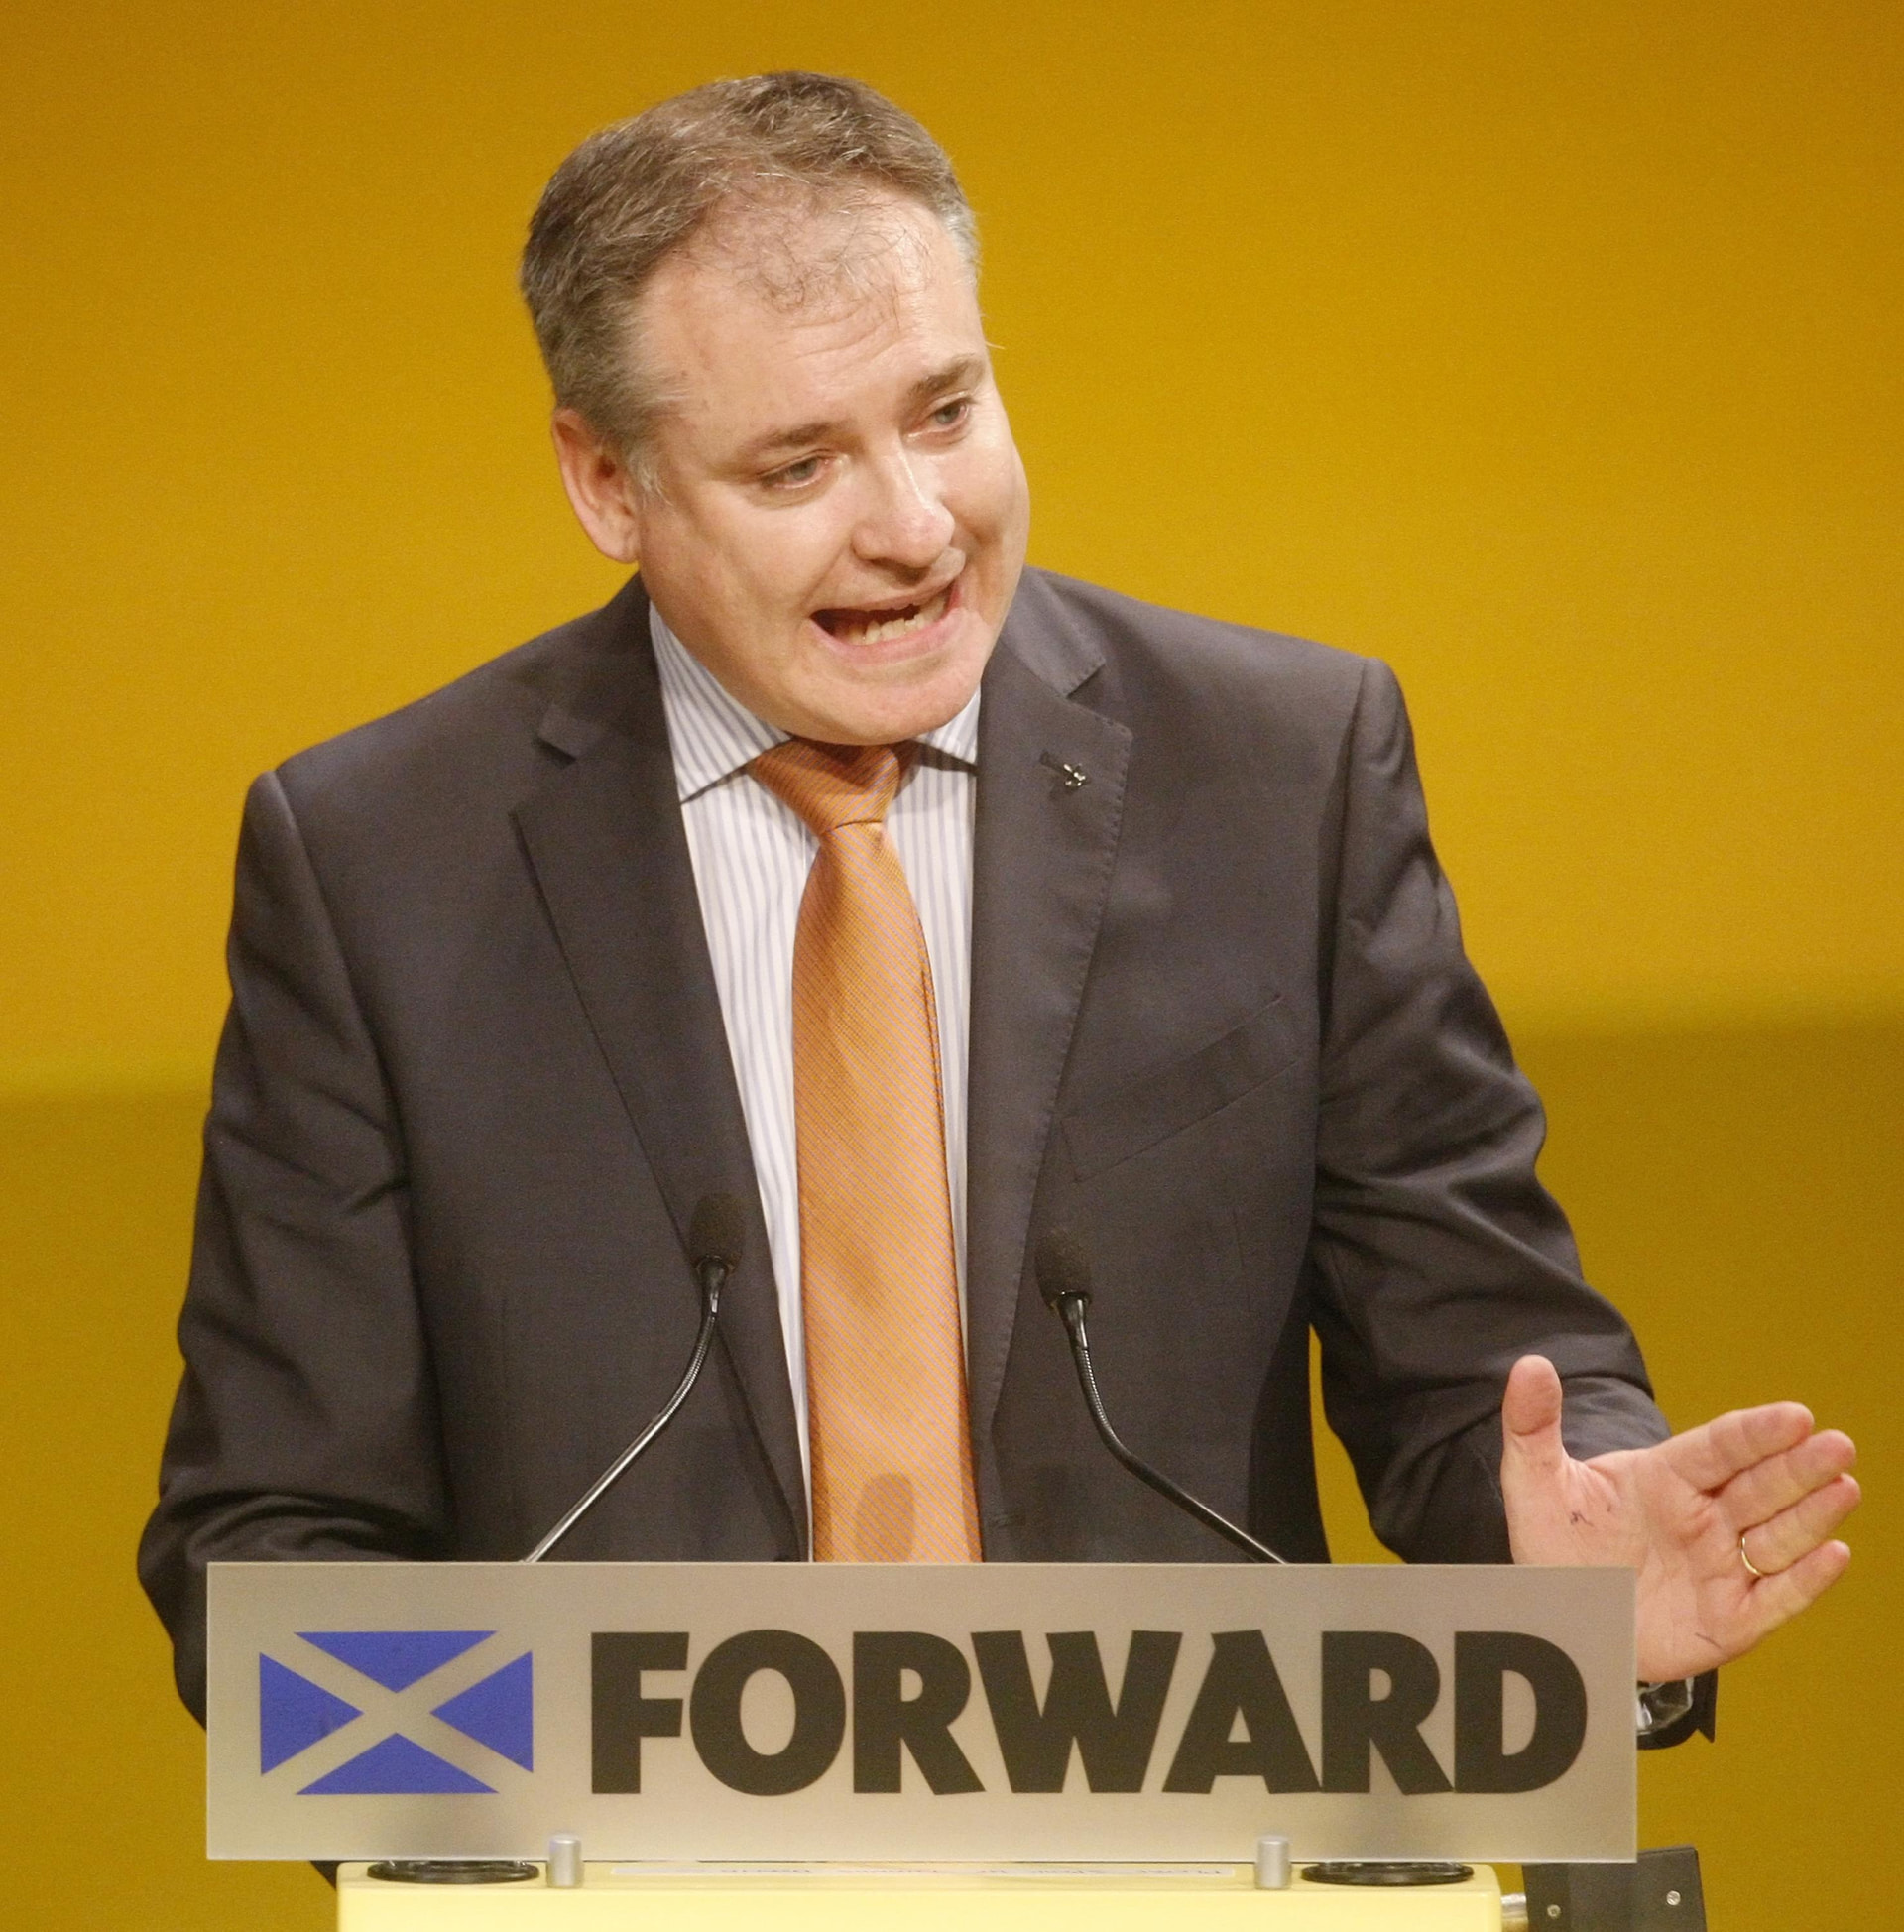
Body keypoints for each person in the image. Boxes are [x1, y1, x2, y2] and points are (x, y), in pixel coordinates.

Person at [139, 72, 1855, 1738]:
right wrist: (591, 1761)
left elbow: (1481, 1364)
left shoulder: (1283, 776)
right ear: (608, 485)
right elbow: (266, 1555)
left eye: (947, 412)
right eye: (797, 467)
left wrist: (1575, 1585)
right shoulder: (379, 865)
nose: (916, 526)